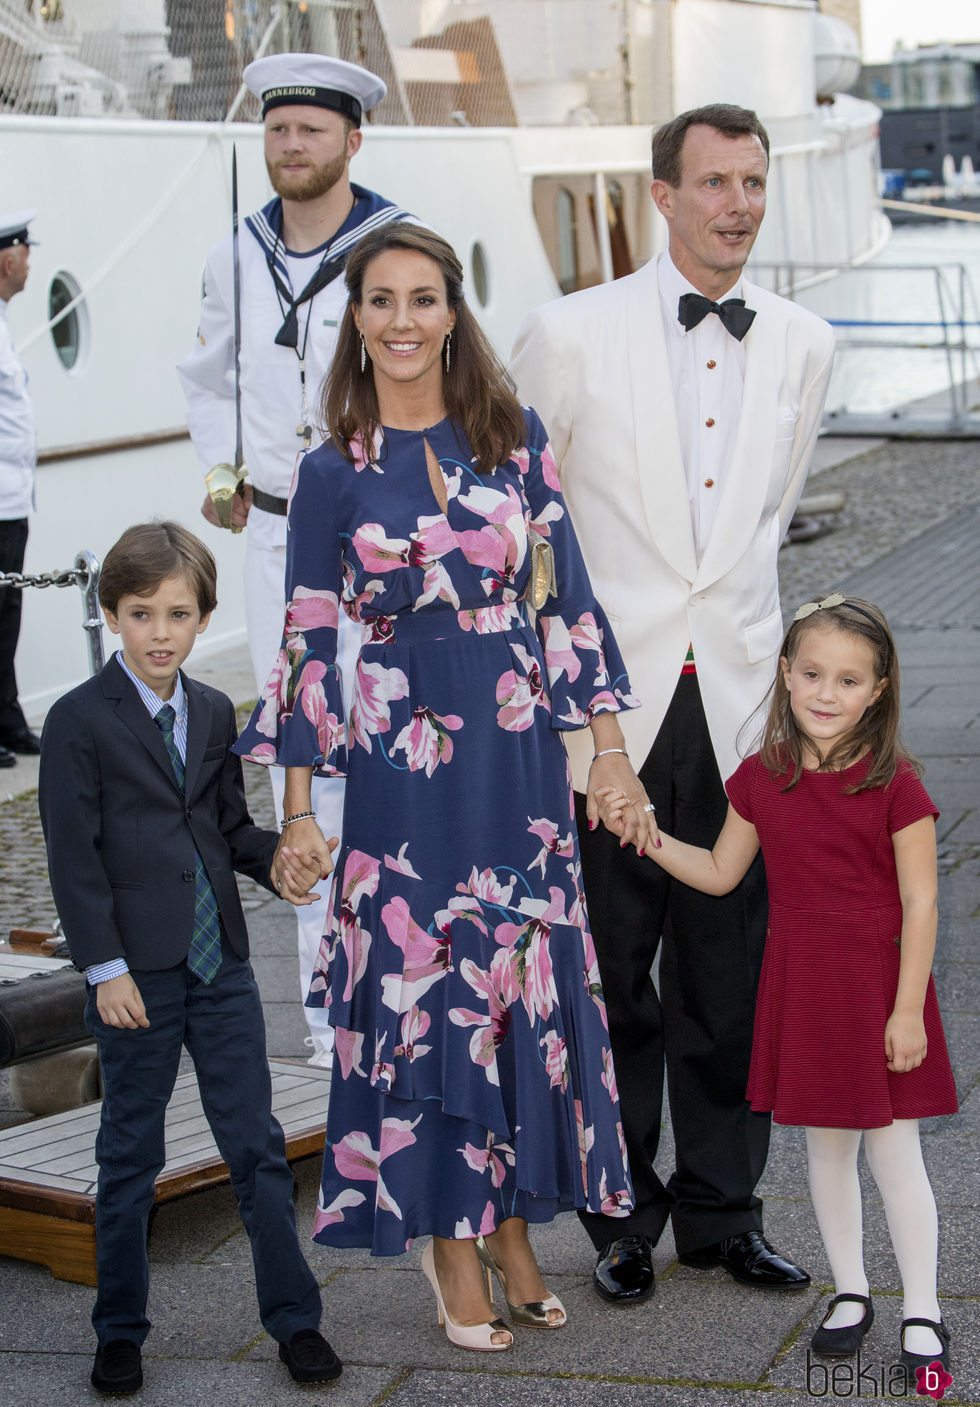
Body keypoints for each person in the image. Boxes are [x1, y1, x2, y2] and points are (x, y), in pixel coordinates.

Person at [234, 223, 635, 1351]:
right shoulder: (328, 473)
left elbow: (567, 602)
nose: (401, 321)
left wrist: (604, 752)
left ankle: (508, 1222)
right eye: (379, 302)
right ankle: (448, 1244)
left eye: (422, 299)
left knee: (516, 977)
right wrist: (299, 812)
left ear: (452, 312)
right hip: (403, 757)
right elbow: (309, 645)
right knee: (423, 982)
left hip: (512, 755)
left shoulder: (511, 441)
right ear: (353, 319)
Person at [510, 102, 835, 1303]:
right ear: (661, 193)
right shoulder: (564, 332)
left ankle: (721, 1214)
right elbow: (524, 538)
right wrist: (561, 719)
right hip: (603, 711)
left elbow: (762, 526)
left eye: (752, 182)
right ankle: (614, 1215)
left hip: (743, 700)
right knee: (606, 972)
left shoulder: (802, 342)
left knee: (729, 974)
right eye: (713, 182)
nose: (737, 205)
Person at [597, 594, 958, 1373]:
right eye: (813, 674)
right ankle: (853, 1290)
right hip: (806, 989)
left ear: (881, 688)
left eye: (850, 680)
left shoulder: (897, 785)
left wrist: (907, 1011)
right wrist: (648, 833)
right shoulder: (761, 778)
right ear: (785, 675)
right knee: (826, 1152)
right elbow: (722, 873)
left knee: (896, 1156)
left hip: (878, 989)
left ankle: (924, 1308)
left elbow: (924, 901)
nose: (827, 694)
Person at [38, 521, 343, 1396]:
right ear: (112, 615)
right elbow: (74, 857)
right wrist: (105, 970)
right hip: (135, 975)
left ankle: (296, 1321)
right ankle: (119, 1332)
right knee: (129, 1153)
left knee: (257, 1144)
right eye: (141, 614)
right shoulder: (76, 721)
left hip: (221, 969)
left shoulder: (213, 711)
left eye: (177, 613)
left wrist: (276, 864)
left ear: (203, 618)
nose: (160, 632)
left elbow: (224, 827)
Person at [178, 53, 414, 1066]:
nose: (291, 148)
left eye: (311, 131)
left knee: (400, 747)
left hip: (377, 540)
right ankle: (327, 1020)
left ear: (351, 141)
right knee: (299, 766)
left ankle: (404, 986)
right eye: (278, 132)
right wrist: (220, 468)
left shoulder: (395, 251)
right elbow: (207, 370)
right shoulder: (235, 254)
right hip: (277, 537)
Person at [0, 209, 41, 766]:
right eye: (28, 252)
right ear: (8, 258)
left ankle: (7, 719)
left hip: (12, 497)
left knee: (7, 612)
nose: (30, 263)